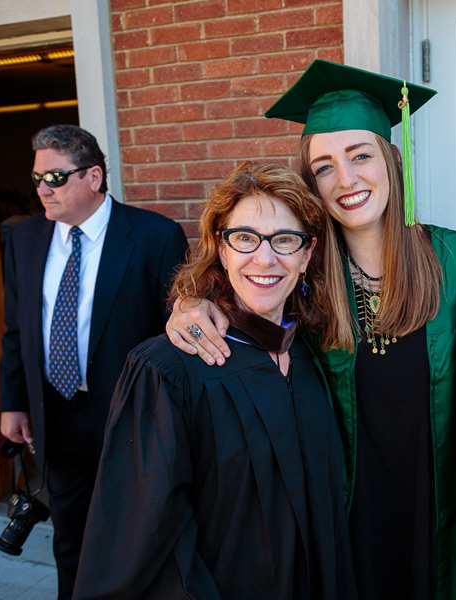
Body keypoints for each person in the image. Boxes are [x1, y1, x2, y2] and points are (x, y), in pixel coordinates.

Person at [166, 60, 456, 600]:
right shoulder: (303, 274)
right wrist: (191, 302)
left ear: (391, 160)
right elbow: (242, 290)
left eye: (361, 155)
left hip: (446, 503)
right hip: (342, 513)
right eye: (325, 167)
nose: (347, 179)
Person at [72, 162, 357, 600]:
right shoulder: (168, 370)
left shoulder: (313, 354)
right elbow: (142, 538)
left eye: (285, 240)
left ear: (308, 253)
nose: (265, 258)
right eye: (245, 238)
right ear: (221, 250)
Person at [0, 124, 189, 598]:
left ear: (94, 176)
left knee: (136, 531)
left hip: (130, 415)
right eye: (38, 177)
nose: (42, 189)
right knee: (71, 536)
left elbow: (174, 335)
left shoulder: (153, 235)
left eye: (56, 178)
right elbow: (17, 329)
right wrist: (14, 402)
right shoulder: (25, 239)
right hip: (57, 413)